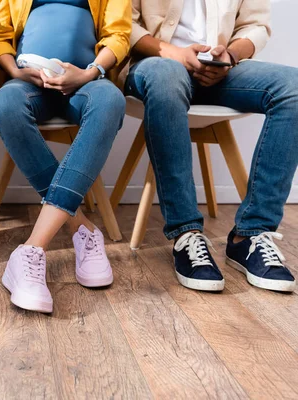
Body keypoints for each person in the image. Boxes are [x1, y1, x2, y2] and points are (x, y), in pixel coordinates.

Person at [126, 0, 297, 292]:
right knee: (167, 76)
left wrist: (229, 55)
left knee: (292, 88)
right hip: (156, 64)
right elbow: (120, 23)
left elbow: (256, 26)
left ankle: (251, 234)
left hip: (220, 72)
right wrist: (175, 54)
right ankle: (186, 234)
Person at [0, 0, 131, 312]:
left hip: (85, 82)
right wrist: (16, 71)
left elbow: (118, 35)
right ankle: (82, 227)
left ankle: (31, 249)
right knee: (4, 106)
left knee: (111, 102)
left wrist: (88, 74)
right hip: (28, 82)